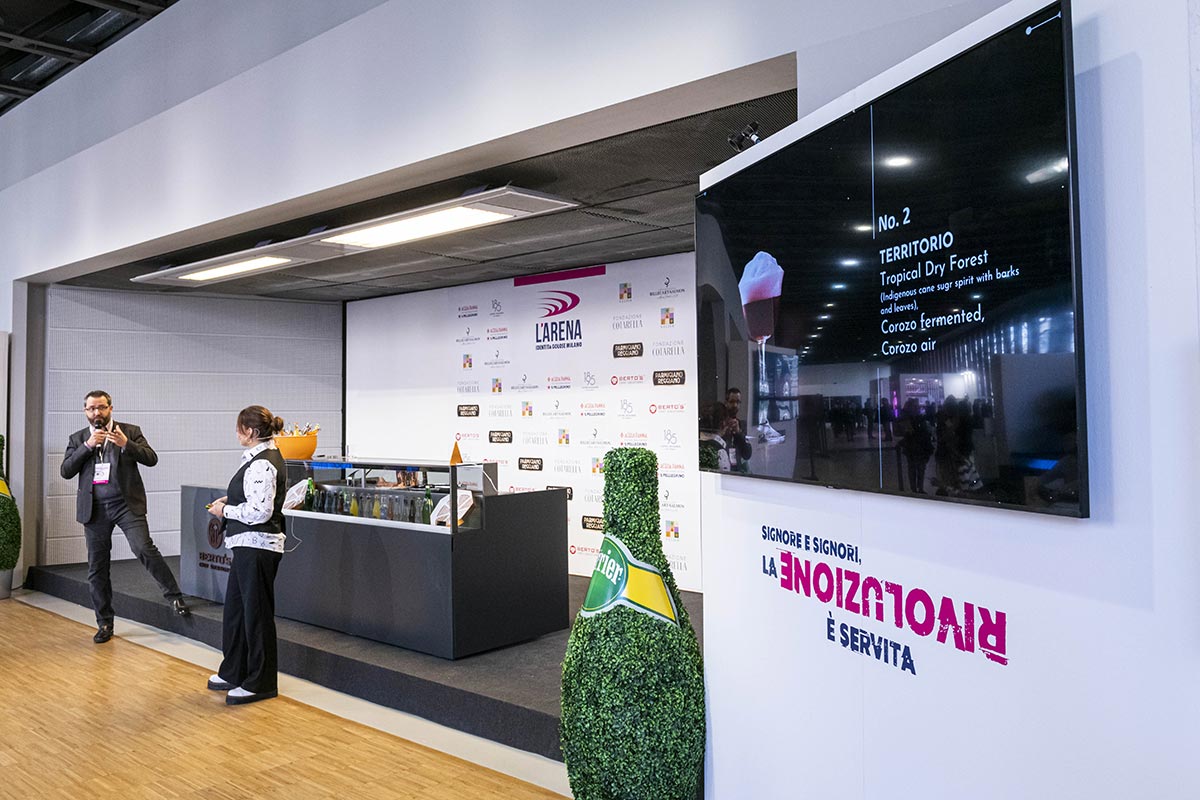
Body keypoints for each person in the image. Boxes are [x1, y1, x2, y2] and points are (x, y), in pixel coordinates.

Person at [60, 390, 189, 644]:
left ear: (111, 408)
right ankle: (104, 622)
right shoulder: (78, 439)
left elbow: (151, 458)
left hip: (126, 504)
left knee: (143, 547)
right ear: (85, 412)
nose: (97, 412)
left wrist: (126, 444)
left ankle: (174, 595)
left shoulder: (129, 431)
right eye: (91, 408)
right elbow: (66, 470)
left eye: (101, 407)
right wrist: (88, 446)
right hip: (95, 509)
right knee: (97, 566)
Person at [206, 405, 287, 706]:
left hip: (258, 546)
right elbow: (254, 498)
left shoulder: (263, 463)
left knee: (256, 615)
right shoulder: (258, 459)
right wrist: (232, 499)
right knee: (237, 612)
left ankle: (260, 682)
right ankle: (235, 670)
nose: (236, 433)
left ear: (251, 432)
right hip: (246, 545)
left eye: (239, 428)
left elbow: (260, 512)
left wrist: (224, 510)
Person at [723, 388, 753, 469]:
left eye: (738, 402)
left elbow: (747, 454)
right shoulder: (720, 424)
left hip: (736, 470)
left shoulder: (741, 425)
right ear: (726, 403)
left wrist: (738, 432)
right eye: (732, 402)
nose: (735, 405)